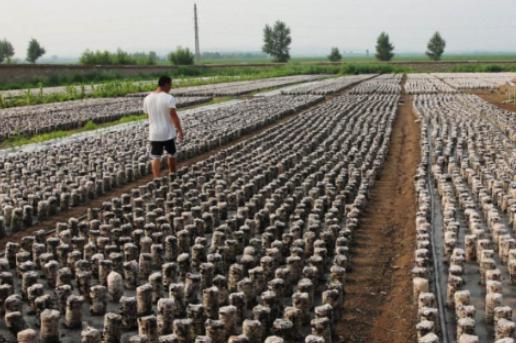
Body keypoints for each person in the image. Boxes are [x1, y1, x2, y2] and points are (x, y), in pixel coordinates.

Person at [143, 76, 184, 178]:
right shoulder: (169, 98)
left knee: (155, 156)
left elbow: (148, 115)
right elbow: (173, 115)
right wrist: (180, 130)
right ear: (165, 84)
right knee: (171, 154)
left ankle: (157, 178)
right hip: (167, 132)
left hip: (154, 133)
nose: (170, 87)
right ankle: (172, 174)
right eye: (170, 85)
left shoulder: (147, 98)